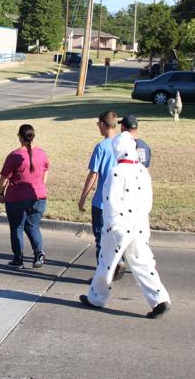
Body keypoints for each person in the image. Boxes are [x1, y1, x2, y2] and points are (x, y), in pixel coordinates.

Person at [79, 132, 171, 319]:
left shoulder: (116, 172)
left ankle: (97, 297)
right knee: (142, 262)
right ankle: (159, 298)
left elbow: (111, 202)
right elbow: (148, 201)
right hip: (139, 224)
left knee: (106, 263)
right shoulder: (142, 171)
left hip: (119, 225)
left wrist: (110, 226)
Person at [0, 124, 50, 269]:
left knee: (17, 228)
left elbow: (4, 178)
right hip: (38, 196)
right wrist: (41, 185)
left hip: (16, 198)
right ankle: (39, 253)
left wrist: (1, 194)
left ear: (20, 137)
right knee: (33, 225)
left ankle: (18, 259)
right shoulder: (41, 153)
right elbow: (46, 170)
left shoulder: (14, 156)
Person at [78, 110, 119, 271]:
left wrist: (83, 198)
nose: (98, 127)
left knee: (101, 240)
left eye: (98, 124)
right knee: (116, 238)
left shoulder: (101, 147)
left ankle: (103, 274)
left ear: (103, 124)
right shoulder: (123, 145)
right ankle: (116, 265)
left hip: (102, 203)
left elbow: (93, 174)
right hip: (120, 203)